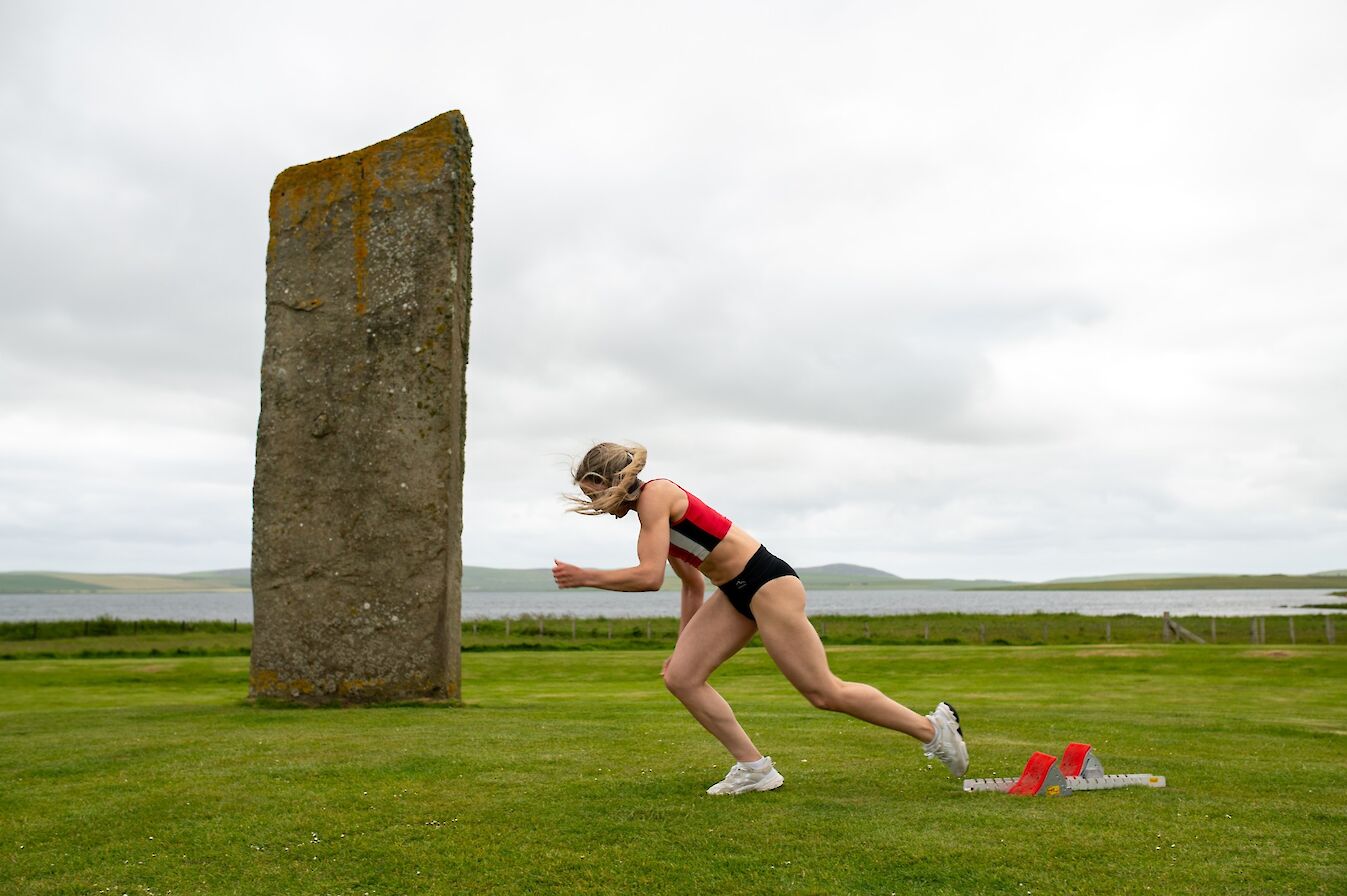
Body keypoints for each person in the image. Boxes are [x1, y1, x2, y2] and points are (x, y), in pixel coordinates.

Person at [551, 442, 968, 795]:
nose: (595, 507)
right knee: (681, 676)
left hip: (767, 583)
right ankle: (755, 770)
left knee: (824, 692)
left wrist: (583, 576)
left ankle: (933, 730)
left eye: (593, 495)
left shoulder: (656, 496)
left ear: (611, 482)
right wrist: (682, 650)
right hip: (734, 592)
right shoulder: (651, 518)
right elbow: (692, 585)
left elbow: (648, 577)